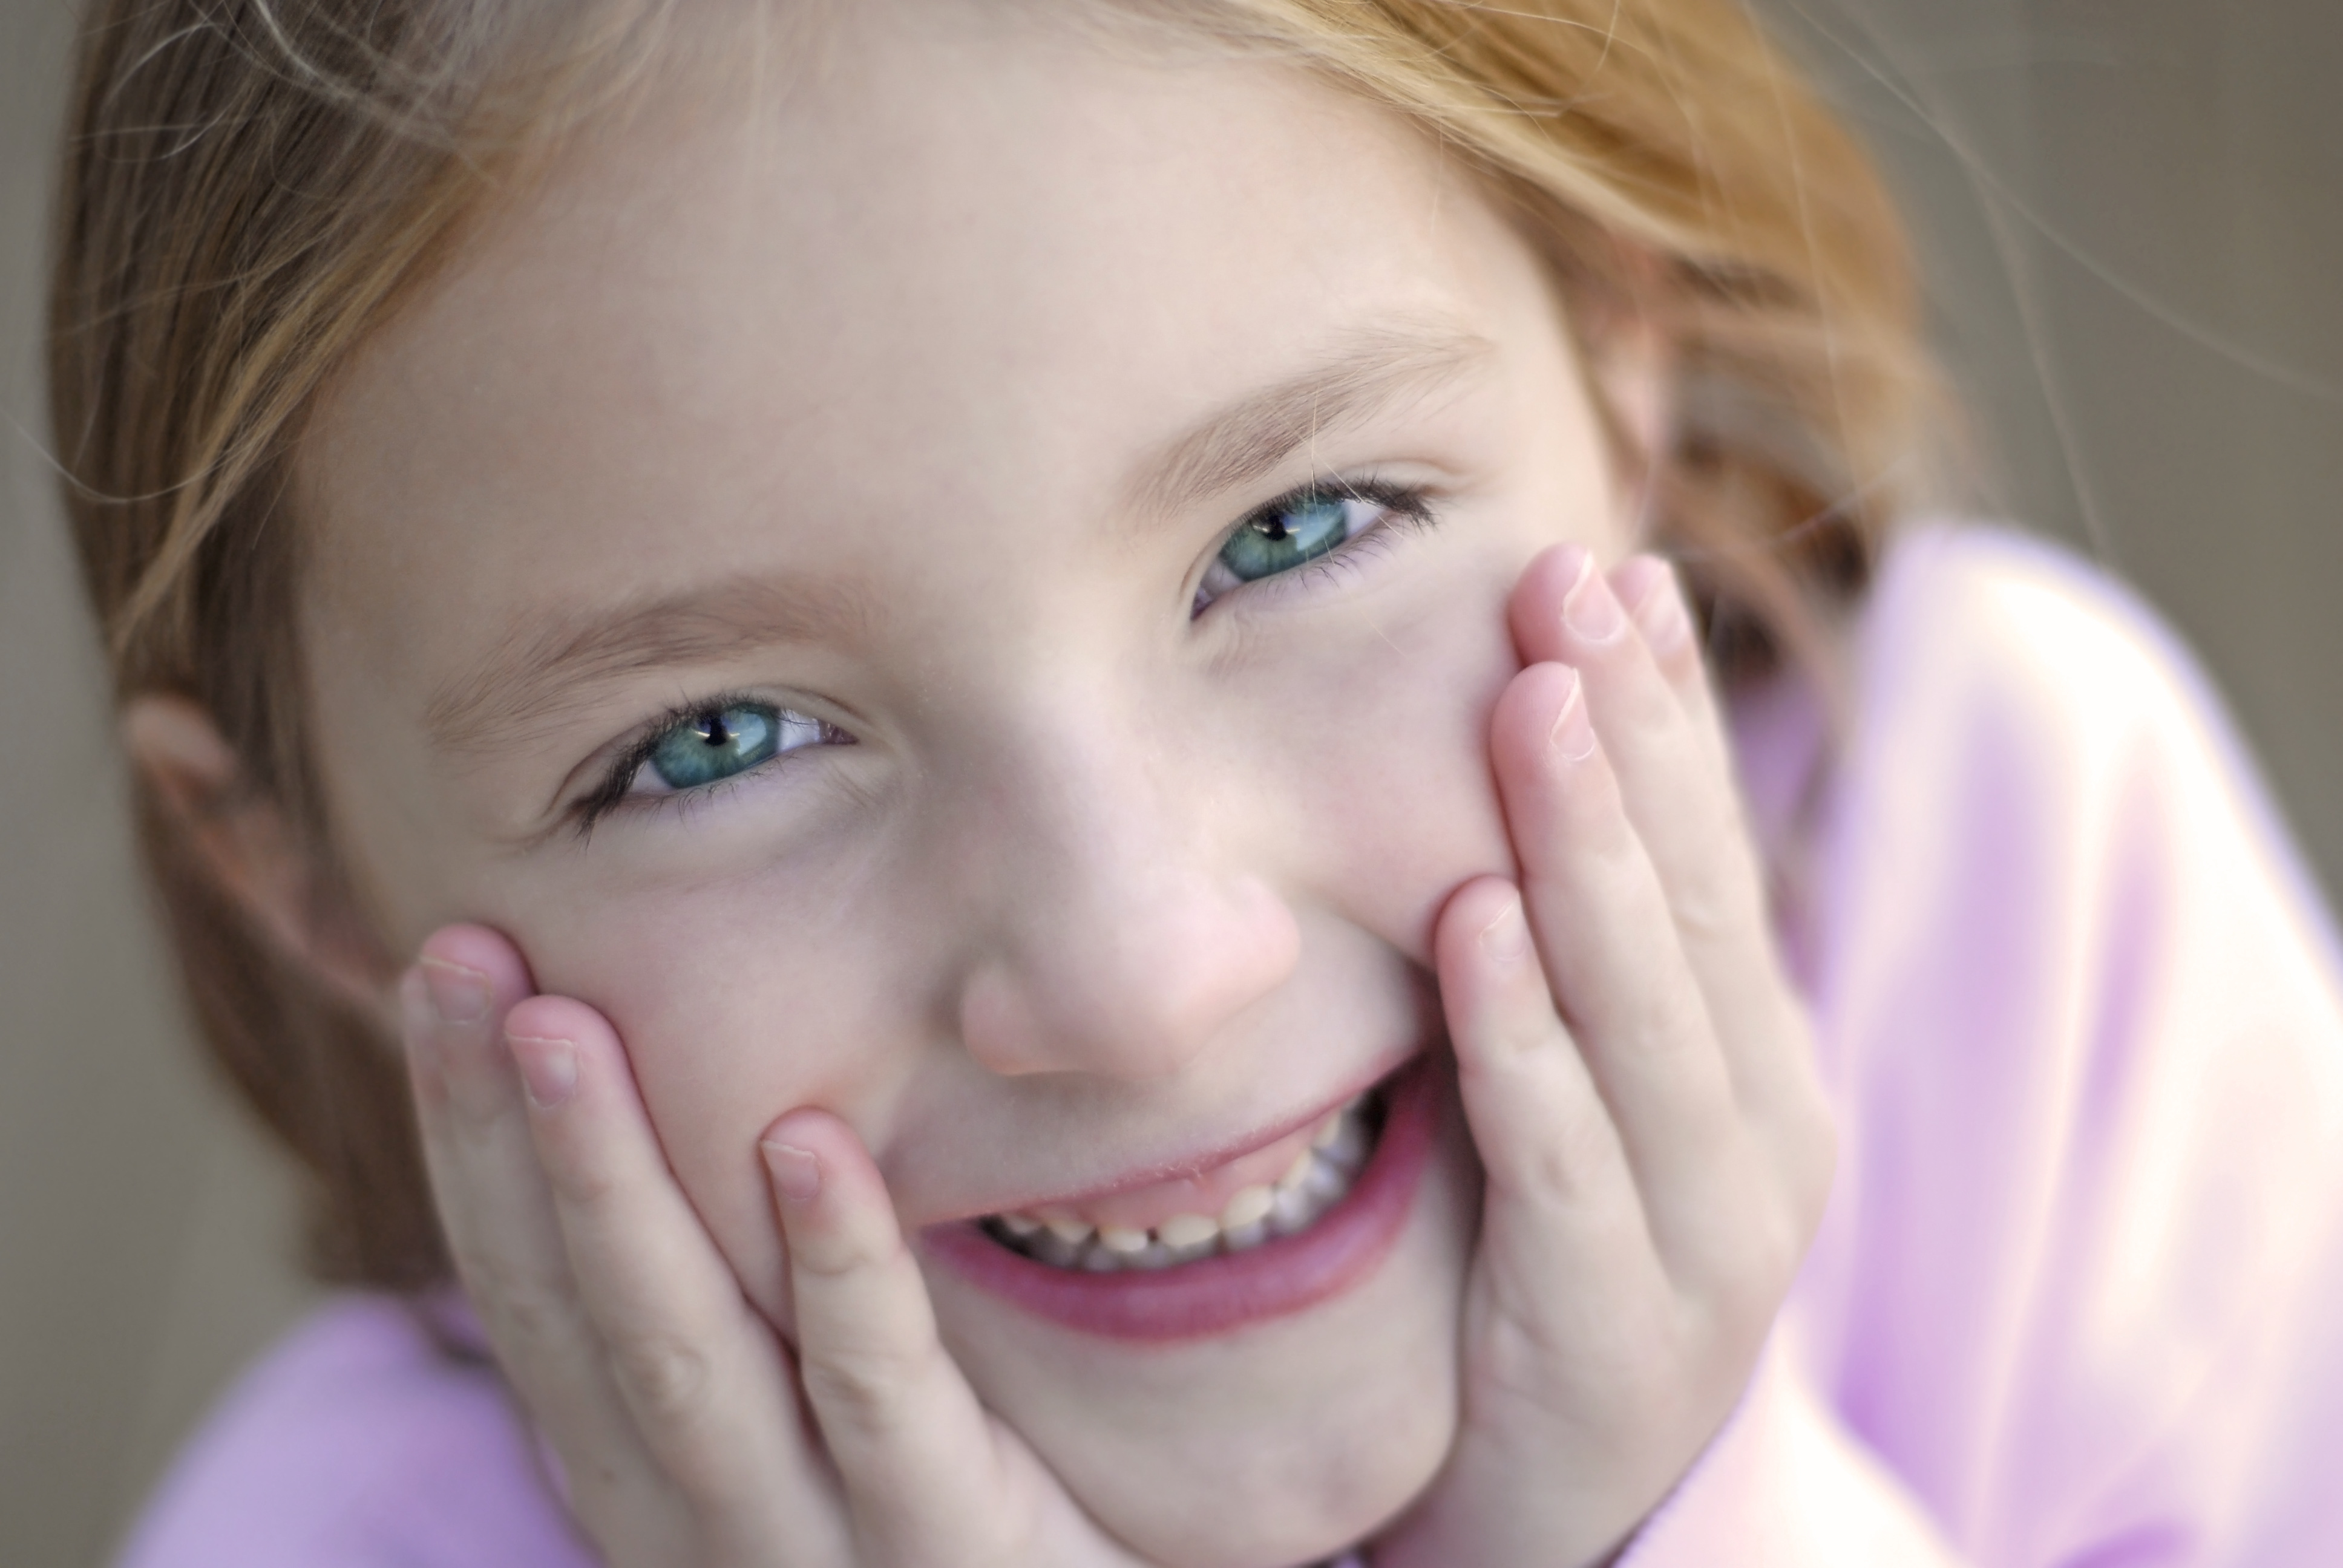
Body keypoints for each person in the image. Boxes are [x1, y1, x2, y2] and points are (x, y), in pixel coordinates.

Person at [50, 0, 2343, 1564]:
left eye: (1300, 530)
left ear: (1619, 357)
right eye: (711, 745)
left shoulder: (2025, 895)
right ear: (304, 876)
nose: (1142, 975)